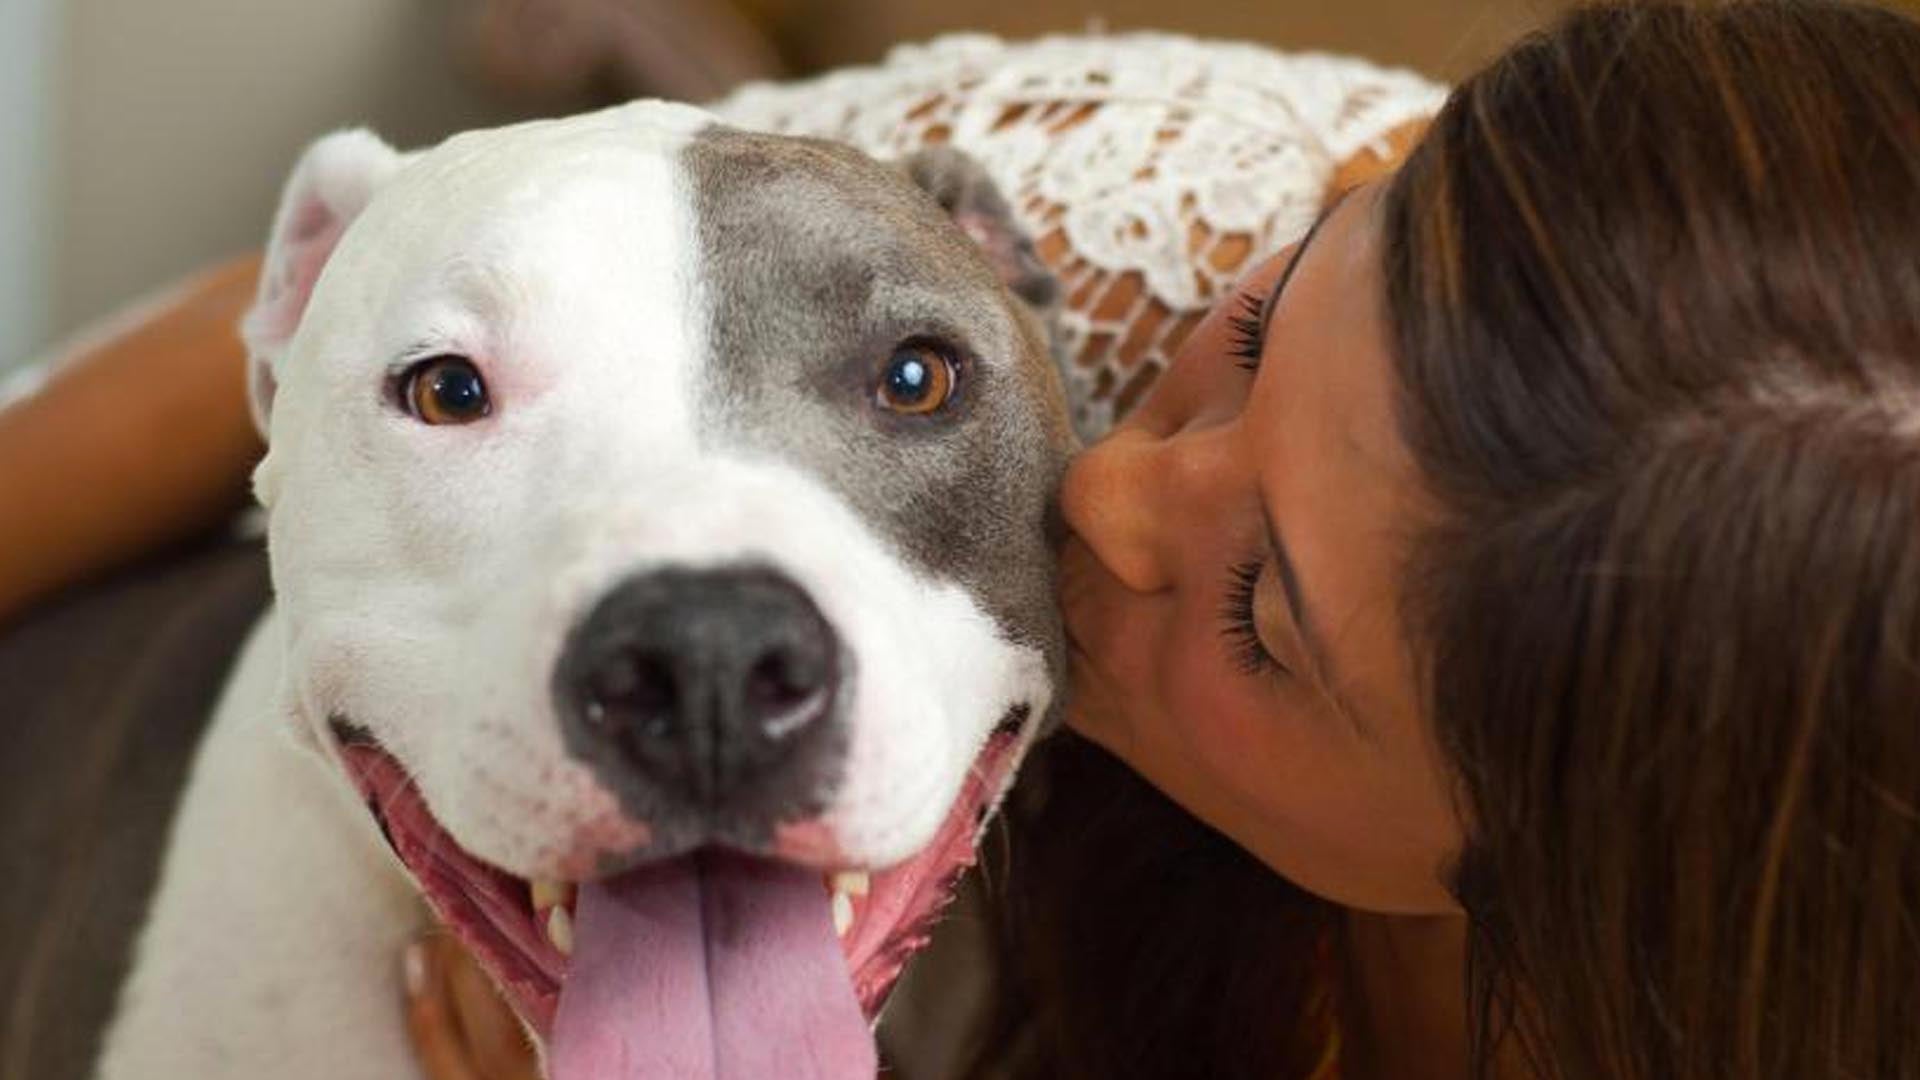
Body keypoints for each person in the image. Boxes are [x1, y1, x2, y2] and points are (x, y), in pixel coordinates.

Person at [4, 3, 1917, 1078]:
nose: (1102, 493)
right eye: (1246, 347)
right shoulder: (1111, 211)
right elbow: (332, 294)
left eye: (1263, 615)